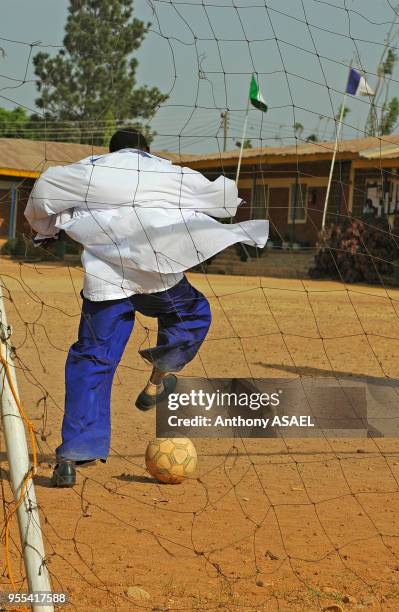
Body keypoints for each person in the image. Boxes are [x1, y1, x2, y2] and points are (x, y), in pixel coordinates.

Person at [25, 128, 268, 487]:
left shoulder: (88, 170)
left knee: (92, 358)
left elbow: (43, 192)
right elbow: (223, 196)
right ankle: (160, 372)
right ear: (146, 150)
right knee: (194, 313)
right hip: (160, 277)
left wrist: (45, 231)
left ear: (110, 151)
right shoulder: (168, 171)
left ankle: (72, 457)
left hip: (106, 282)